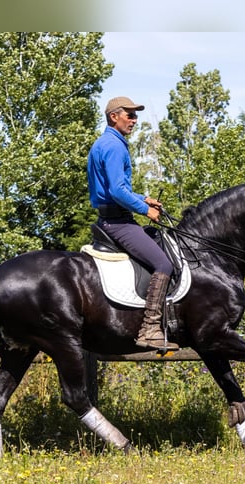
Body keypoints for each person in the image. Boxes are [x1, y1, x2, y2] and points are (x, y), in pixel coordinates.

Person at [87, 96, 179, 351]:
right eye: (130, 115)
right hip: (118, 222)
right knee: (163, 263)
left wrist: (143, 197)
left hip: (111, 217)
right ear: (114, 116)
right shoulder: (115, 146)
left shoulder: (105, 143)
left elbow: (114, 188)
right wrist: (144, 209)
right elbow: (116, 191)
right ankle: (150, 329)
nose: (134, 120)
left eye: (135, 115)